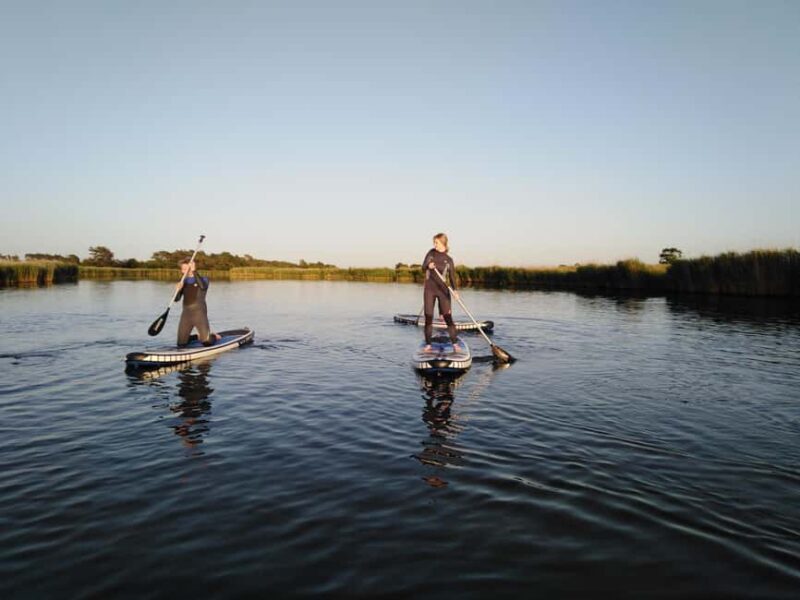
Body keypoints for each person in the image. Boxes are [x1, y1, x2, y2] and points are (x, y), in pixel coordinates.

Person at [421, 233, 460, 352]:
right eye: (434, 242)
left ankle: (455, 345)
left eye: (436, 242)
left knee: (448, 318)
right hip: (429, 289)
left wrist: (455, 290)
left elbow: (452, 277)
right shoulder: (431, 253)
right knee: (428, 317)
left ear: (443, 243)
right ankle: (428, 345)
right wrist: (428, 265)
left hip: (443, 291)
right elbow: (423, 267)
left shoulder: (449, 260)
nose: (434, 245)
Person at [175, 258, 221, 347]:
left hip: (199, 314)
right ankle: (197, 336)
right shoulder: (182, 282)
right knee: (180, 344)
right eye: (183, 269)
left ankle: (213, 336)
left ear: (192, 267)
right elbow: (176, 299)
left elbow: (203, 287)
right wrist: (178, 290)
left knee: (207, 342)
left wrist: (194, 271)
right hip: (186, 315)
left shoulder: (204, 279)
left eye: (187, 268)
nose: (185, 271)